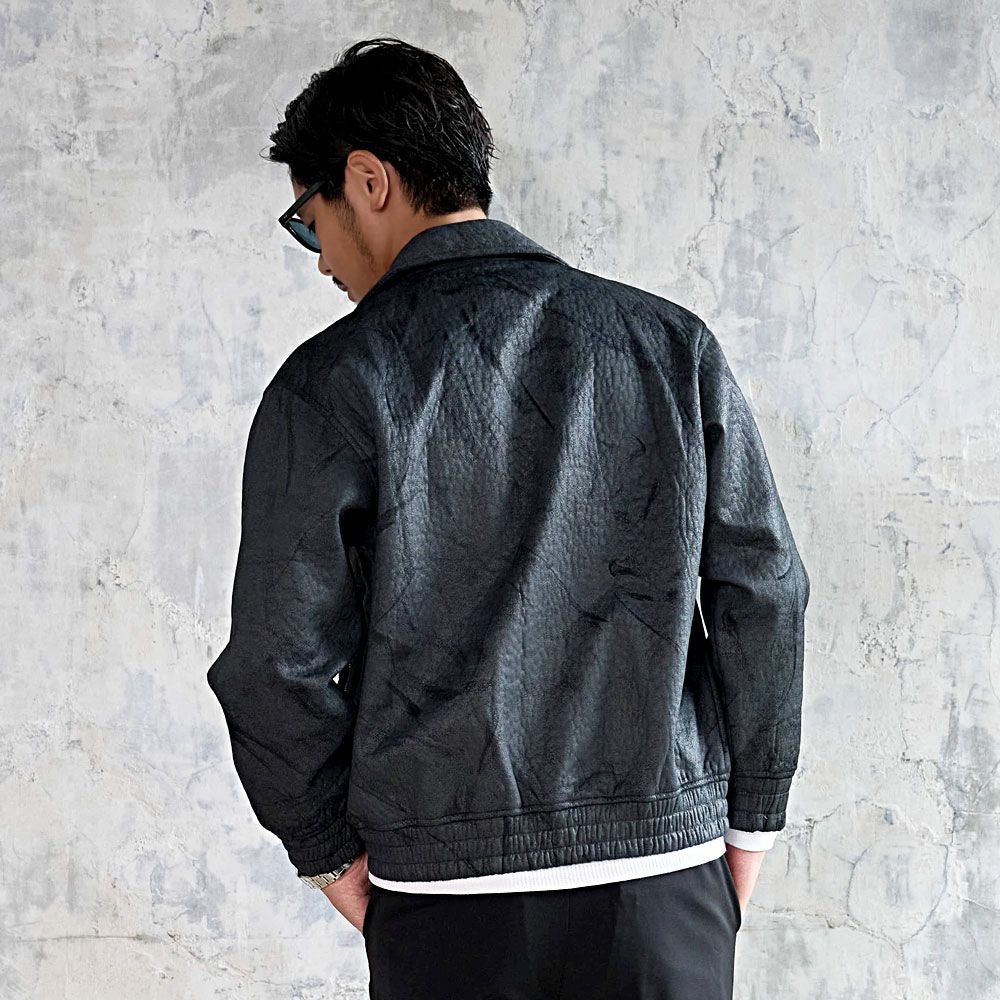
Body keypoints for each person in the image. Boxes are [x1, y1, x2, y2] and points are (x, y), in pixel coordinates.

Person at [206, 35, 810, 1000]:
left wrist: (329, 855)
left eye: (308, 223)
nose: (320, 262)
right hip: (662, 883)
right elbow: (763, 592)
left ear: (368, 181)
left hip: (448, 906)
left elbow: (277, 666)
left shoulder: (331, 384)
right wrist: (749, 825)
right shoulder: (666, 345)